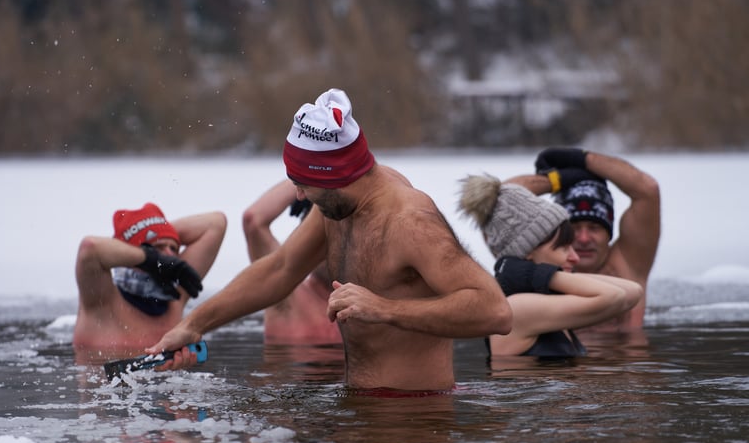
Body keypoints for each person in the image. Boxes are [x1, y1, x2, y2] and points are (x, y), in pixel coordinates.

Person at [148, 88, 512, 391]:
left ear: (335, 176)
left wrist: (384, 309)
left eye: (304, 187)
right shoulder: (337, 207)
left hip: (416, 419)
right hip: (358, 407)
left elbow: (494, 311)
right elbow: (280, 268)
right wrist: (193, 325)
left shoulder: (409, 222)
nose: (301, 199)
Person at [460, 173, 643, 357]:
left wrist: (536, 274)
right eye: (563, 248)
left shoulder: (542, 296)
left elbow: (633, 292)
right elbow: (614, 296)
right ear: (529, 251)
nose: (575, 258)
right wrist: (542, 274)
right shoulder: (517, 308)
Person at [504, 147, 660, 332]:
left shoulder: (628, 263)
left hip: (627, 360)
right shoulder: (537, 268)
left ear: (608, 232)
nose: (584, 239)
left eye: (594, 228)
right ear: (559, 231)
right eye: (574, 228)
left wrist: (584, 159)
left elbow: (648, 190)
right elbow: (501, 198)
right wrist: (556, 181)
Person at [72, 202, 227, 361]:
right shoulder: (101, 303)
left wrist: (158, 232)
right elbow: (89, 248)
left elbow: (216, 223)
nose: (169, 256)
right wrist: (149, 259)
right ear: (127, 256)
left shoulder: (176, 296)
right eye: (158, 248)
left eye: (173, 248)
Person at [242, 179, 343, 345]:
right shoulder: (285, 294)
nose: (324, 247)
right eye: (316, 239)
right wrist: (310, 176)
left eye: (333, 236)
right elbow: (254, 219)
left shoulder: (370, 301)